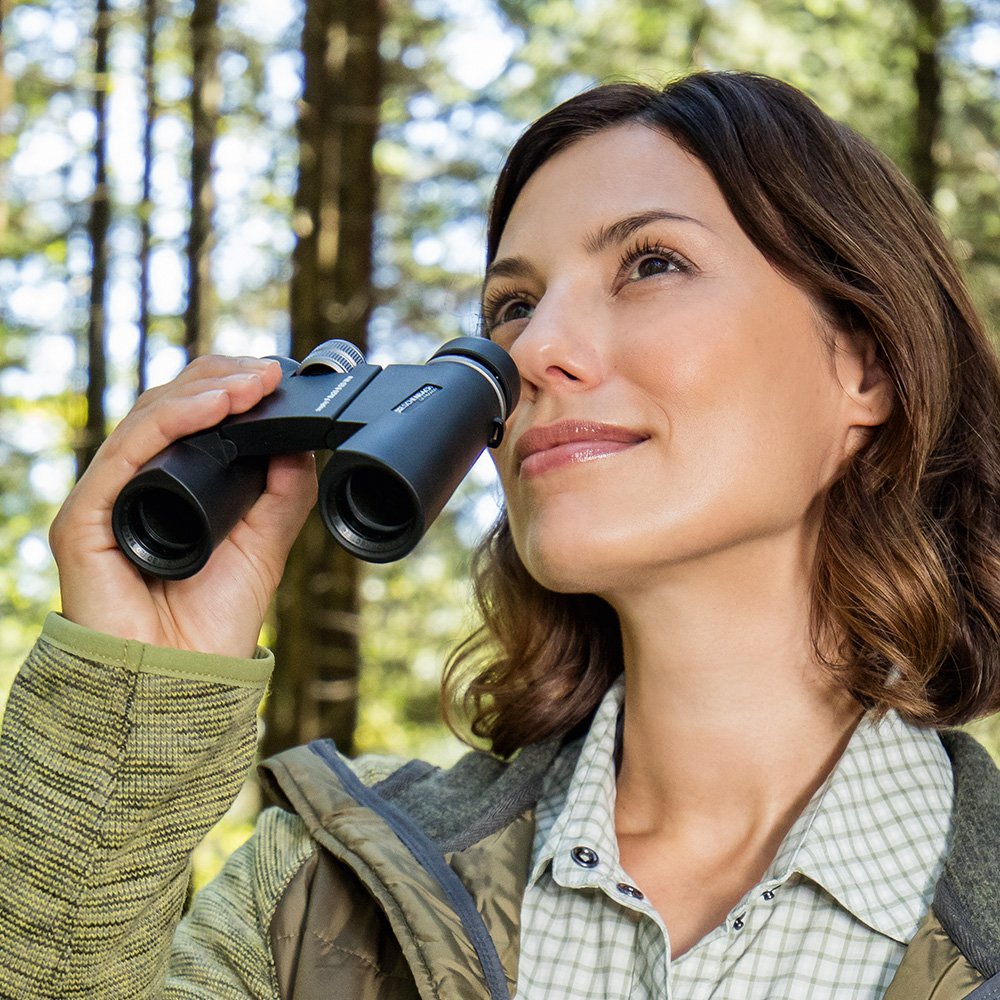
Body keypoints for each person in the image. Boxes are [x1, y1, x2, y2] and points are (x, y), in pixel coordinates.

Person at [0, 69, 999, 1000]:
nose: (535, 352)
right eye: (511, 307)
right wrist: (130, 700)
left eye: (650, 263)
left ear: (862, 369)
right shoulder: (318, 897)